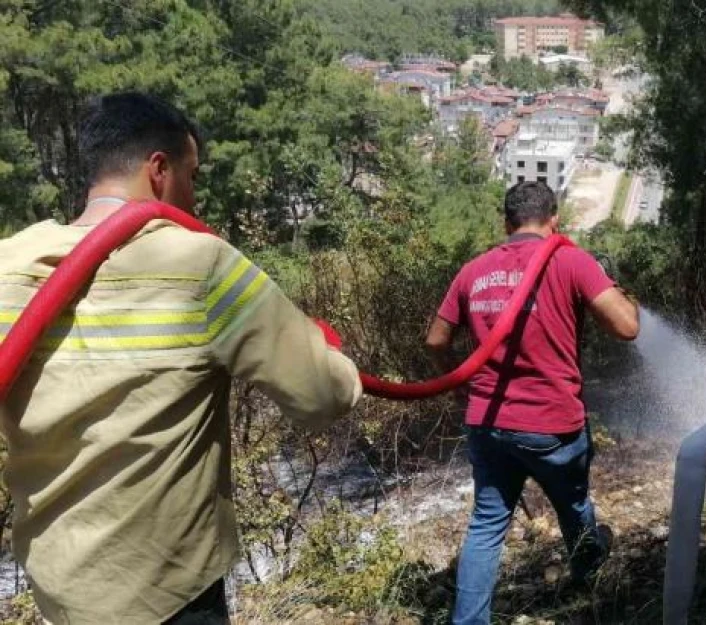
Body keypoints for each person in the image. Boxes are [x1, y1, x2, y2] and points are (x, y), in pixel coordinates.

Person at [0, 92, 363, 624]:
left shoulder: (11, 261)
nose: (194, 197)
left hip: (60, 589)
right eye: (191, 176)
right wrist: (332, 357)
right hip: (167, 595)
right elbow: (322, 395)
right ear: (158, 170)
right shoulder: (200, 264)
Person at [425, 182, 640, 625]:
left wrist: (458, 381)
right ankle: (588, 573)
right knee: (573, 505)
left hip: (486, 423)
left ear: (506, 223)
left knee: (486, 526)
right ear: (554, 220)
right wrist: (611, 283)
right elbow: (627, 327)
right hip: (551, 424)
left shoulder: (474, 270)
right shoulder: (572, 261)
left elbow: (435, 339)